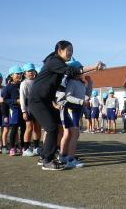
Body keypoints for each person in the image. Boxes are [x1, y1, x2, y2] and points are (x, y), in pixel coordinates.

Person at [29, 40, 104, 170]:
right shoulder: (54, 61)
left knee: (58, 126)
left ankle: (51, 156)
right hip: (37, 101)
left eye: (72, 51)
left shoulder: (59, 63)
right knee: (52, 127)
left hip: (47, 101)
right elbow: (70, 71)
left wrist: (54, 102)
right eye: (68, 50)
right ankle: (47, 160)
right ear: (60, 50)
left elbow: (52, 86)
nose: (70, 53)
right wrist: (93, 67)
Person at [56, 59, 91, 168]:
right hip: (71, 110)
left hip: (76, 111)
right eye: (81, 70)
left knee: (69, 134)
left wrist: (90, 84)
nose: (83, 72)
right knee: (74, 134)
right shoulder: (71, 82)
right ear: (74, 71)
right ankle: (70, 160)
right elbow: (68, 97)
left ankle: (63, 156)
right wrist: (81, 101)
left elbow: (87, 95)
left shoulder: (80, 83)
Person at [20, 63, 42, 156]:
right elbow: (22, 98)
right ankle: (25, 149)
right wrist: (24, 111)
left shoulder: (37, 81)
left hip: (38, 107)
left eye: (32, 71)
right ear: (24, 73)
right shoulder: (24, 83)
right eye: (29, 71)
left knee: (37, 127)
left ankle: (36, 147)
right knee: (29, 127)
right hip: (29, 108)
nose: (31, 73)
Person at [2, 65, 24, 156]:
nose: (19, 75)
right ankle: (12, 148)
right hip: (14, 110)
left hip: (23, 110)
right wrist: (5, 115)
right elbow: (4, 101)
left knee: (23, 129)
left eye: (20, 73)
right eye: (17, 74)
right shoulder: (8, 87)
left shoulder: (22, 84)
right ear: (11, 75)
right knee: (14, 129)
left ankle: (23, 147)